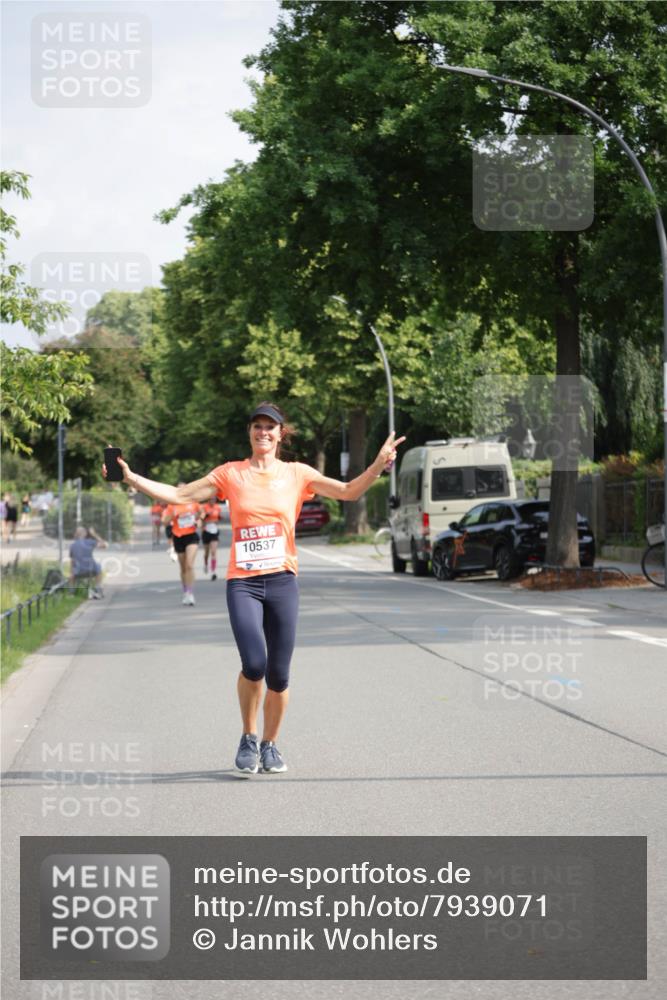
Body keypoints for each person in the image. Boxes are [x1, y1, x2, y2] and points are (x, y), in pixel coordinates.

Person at [103, 402, 404, 775]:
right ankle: (248, 736)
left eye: (270, 427)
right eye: (257, 426)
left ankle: (270, 745)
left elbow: (347, 491)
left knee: (279, 674)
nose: (263, 432)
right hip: (243, 583)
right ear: (250, 433)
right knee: (254, 663)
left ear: (280, 434)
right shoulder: (231, 473)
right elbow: (180, 496)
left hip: (282, 580)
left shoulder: (297, 474)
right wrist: (131, 478)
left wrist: (377, 465)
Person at [162, 486, 201, 605]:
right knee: (183, 568)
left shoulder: (193, 503)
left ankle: (190, 593)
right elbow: (165, 522)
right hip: (178, 537)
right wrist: (172, 515)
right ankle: (185, 591)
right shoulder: (172, 505)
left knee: (189, 565)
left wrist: (198, 521)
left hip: (191, 536)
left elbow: (200, 515)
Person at [69, 525, 108, 597]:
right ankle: (98, 588)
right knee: (98, 566)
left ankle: (71, 593)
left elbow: (72, 561)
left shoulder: (72, 546)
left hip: (78, 572)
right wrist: (94, 534)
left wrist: (71, 573)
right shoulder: (89, 542)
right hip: (91, 570)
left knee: (72, 573)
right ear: (85, 534)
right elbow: (105, 545)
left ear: (76, 534)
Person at [200, 498, 223, 580]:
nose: (213, 501)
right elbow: (201, 518)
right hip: (206, 531)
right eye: (211, 499)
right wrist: (206, 515)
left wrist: (219, 518)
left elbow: (219, 518)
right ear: (208, 500)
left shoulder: (218, 507)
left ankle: (213, 571)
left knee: (213, 552)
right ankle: (206, 564)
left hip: (214, 531)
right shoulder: (204, 507)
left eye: (214, 499)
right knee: (206, 553)